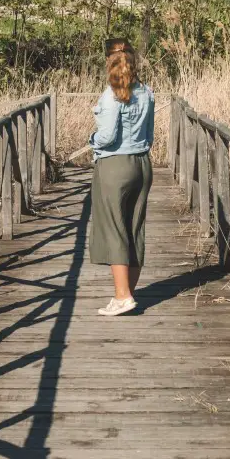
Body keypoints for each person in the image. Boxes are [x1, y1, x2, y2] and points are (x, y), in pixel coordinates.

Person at [88, 38, 155, 316]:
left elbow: (106, 137)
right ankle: (127, 293)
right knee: (133, 227)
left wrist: (92, 139)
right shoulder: (147, 92)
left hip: (115, 166)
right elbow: (150, 134)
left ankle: (122, 295)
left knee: (114, 228)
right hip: (142, 164)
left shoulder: (112, 94)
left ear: (108, 61)